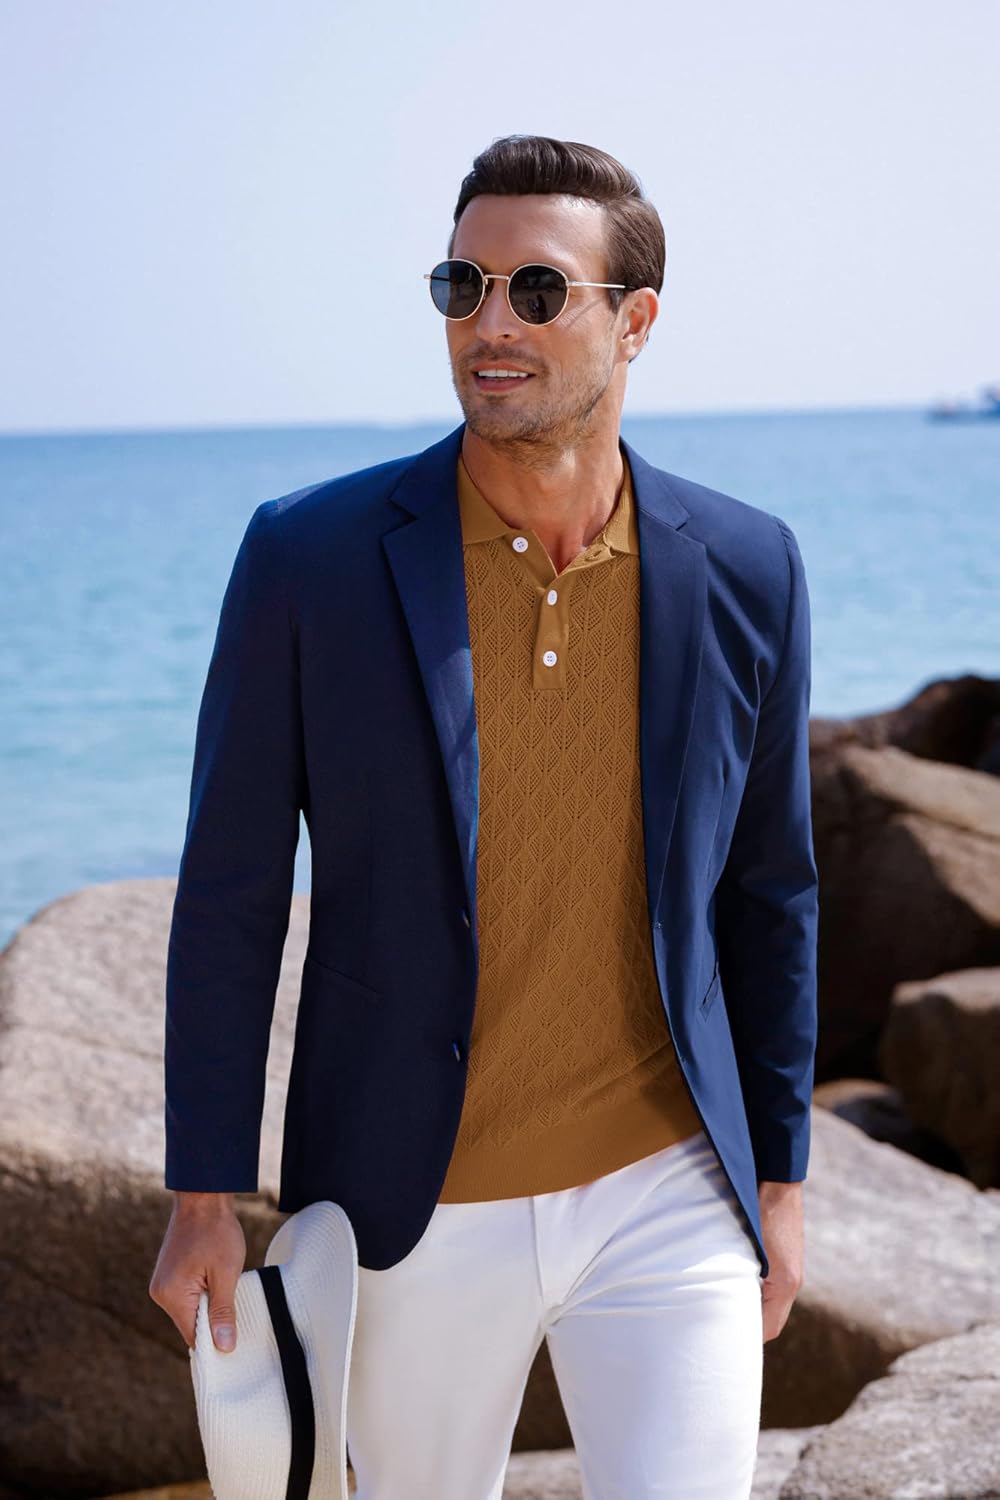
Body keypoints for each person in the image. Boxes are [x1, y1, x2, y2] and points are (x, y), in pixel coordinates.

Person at [150, 134, 818, 1499]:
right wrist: (201, 1196)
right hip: (412, 1201)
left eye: (536, 290)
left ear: (636, 322)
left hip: (670, 1186)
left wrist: (783, 1180)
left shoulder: (747, 566)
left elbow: (771, 889)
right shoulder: (311, 558)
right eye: (463, 285)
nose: (489, 323)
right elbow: (229, 889)